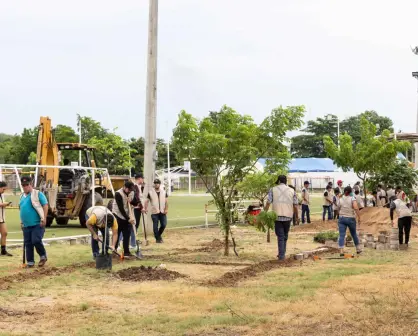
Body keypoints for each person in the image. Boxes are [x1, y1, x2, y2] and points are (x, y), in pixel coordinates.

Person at [264, 175, 299, 261]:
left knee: (280, 236)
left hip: (277, 216)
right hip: (288, 216)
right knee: (285, 235)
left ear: (279, 181)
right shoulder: (292, 191)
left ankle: (281, 256)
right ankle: (282, 253)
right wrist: (297, 216)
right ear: (286, 181)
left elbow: (268, 202)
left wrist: (264, 212)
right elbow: (295, 205)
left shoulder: (273, 189)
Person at [19, 176, 49, 268]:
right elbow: (21, 209)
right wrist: (21, 221)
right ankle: (30, 262)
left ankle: (43, 255)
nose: (25, 187)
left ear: (30, 184)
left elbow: (45, 205)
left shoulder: (37, 194)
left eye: (26, 185)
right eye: (23, 185)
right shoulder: (21, 196)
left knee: (36, 240)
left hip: (37, 223)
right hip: (26, 225)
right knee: (28, 243)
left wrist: (44, 218)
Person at [112, 181, 136, 257]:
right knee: (117, 233)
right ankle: (114, 250)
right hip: (118, 215)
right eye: (129, 190)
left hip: (127, 215)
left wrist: (131, 201)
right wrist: (128, 218)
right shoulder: (118, 193)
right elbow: (121, 208)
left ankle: (126, 252)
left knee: (127, 234)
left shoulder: (131, 192)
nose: (130, 191)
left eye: (131, 190)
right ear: (124, 187)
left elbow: (136, 202)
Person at [337, 186, 362, 256]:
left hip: (342, 218)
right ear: (350, 192)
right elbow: (356, 207)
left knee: (342, 235)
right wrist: (359, 217)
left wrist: (340, 214)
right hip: (351, 218)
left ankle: (341, 250)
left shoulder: (340, 199)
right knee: (354, 234)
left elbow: (338, 208)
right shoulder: (352, 198)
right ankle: (358, 249)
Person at [144, 179, 168, 243]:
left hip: (162, 211)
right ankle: (158, 239)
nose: (156, 184)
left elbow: (166, 202)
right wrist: (145, 208)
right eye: (155, 183)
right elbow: (146, 201)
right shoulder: (150, 192)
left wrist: (166, 209)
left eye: (157, 183)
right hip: (154, 212)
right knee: (155, 226)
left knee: (164, 224)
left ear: (159, 184)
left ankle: (158, 236)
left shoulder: (164, 192)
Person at [130, 173, 144, 248]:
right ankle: (132, 243)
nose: (143, 180)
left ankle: (133, 242)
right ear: (139, 179)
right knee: (134, 226)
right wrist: (142, 208)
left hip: (138, 208)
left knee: (135, 226)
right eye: (142, 178)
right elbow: (137, 198)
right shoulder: (135, 186)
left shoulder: (138, 186)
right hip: (135, 209)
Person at [0, 182, 13, 256]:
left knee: (4, 233)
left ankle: (3, 250)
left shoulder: (2, 195)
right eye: (3, 189)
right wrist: (3, 204)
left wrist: (6, 204)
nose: (4, 191)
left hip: (2, 218)